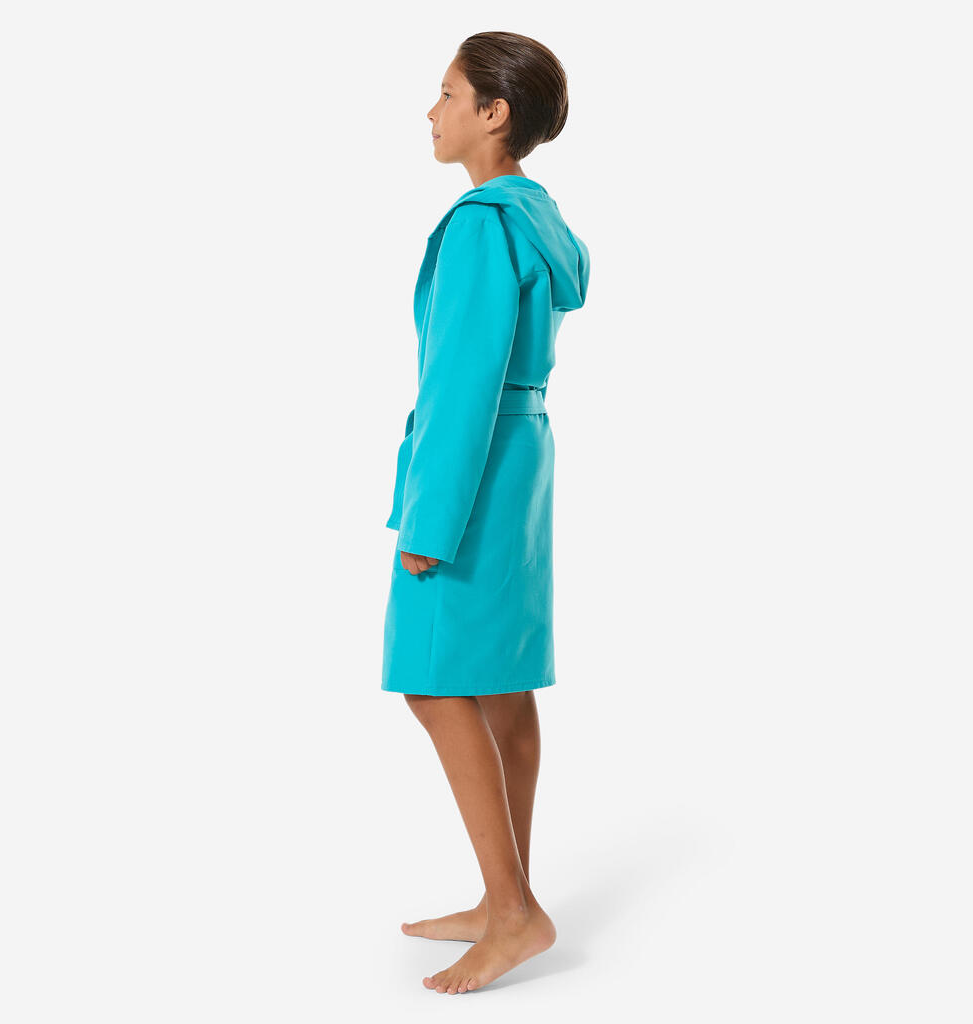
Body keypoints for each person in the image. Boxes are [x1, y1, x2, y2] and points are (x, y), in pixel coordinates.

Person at [381, 31, 591, 994]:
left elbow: (460, 385)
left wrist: (428, 522)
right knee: (502, 683)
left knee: (434, 685)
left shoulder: (478, 225)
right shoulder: (535, 217)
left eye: (447, 93)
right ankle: (507, 895)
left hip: (470, 471)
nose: (432, 111)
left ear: (492, 114)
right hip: (521, 460)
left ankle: (512, 913)